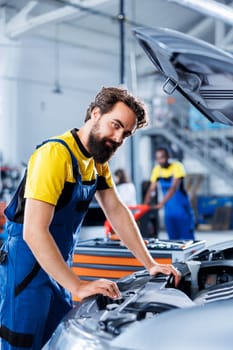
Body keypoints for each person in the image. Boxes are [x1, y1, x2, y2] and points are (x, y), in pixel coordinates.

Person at [0, 87, 180, 350]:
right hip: (25, 271)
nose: (118, 138)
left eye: (126, 134)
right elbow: (34, 231)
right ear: (95, 113)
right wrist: (78, 285)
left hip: (57, 268)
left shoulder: (96, 163)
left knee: (58, 341)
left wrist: (150, 264)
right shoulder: (54, 155)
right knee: (22, 343)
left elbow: (116, 209)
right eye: (115, 125)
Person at [144, 147, 195, 241]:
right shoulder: (157, 169)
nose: (160, 160)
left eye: (162, 157)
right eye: (158, 158)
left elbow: (174, 188)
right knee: (172, 238)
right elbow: (152, 188)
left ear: (168, 156)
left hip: (181, 209)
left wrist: (161, 204)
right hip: (169, 210)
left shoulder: (177, 166)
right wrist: (145, 204)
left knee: (188, 237)